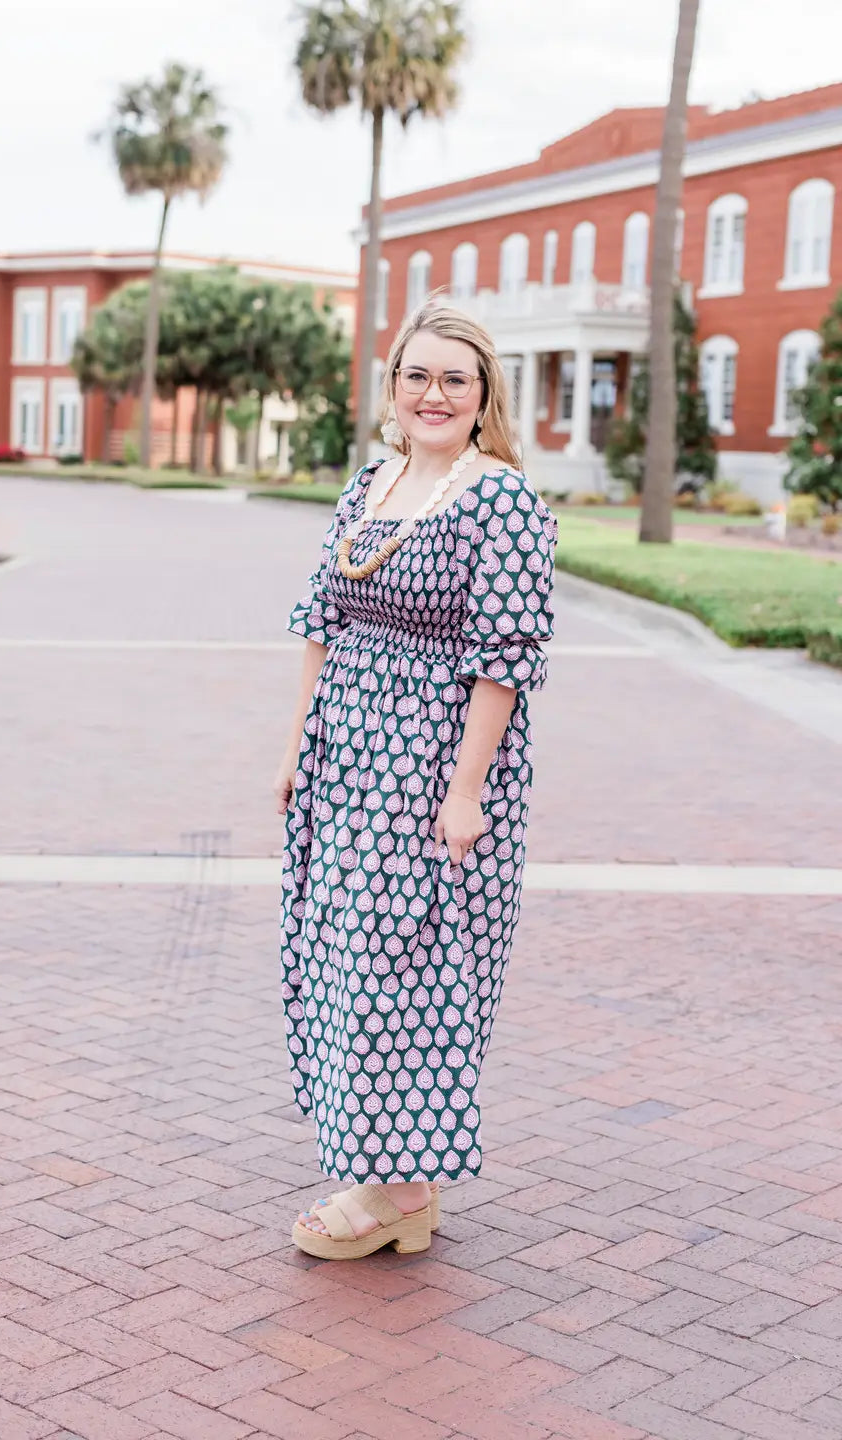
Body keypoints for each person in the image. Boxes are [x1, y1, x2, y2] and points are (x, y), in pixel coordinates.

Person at [274, 296, 557, 1261]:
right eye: (417, 375)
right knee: (344, 962)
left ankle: (399, 1190)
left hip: (436, 766)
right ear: (392, 386)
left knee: (417, 969)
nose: (433, 394)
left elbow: (505, 658)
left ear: (484, 396)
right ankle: (385, 1177)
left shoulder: (503, 501)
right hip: (348, 755)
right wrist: (297, 744)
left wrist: (467, 787)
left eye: (455, 379)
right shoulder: (372, 481)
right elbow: (323, 619)